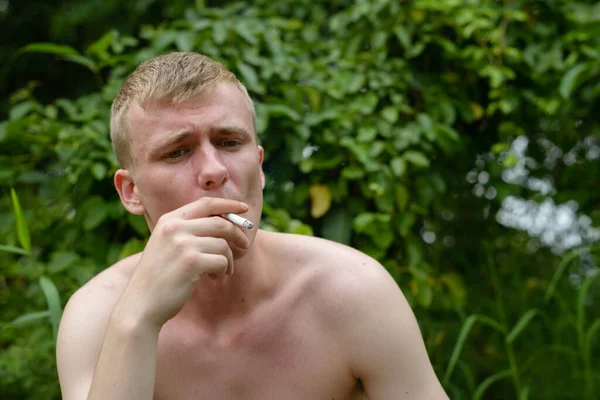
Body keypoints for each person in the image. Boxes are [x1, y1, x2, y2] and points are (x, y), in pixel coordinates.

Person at [56, 52, 449, 400]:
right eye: (177, 152)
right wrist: (137, 320)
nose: (213, 170)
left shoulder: (352, 291)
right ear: (131, 192)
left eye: (229, 142)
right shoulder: (99, 315)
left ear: (259, 167)